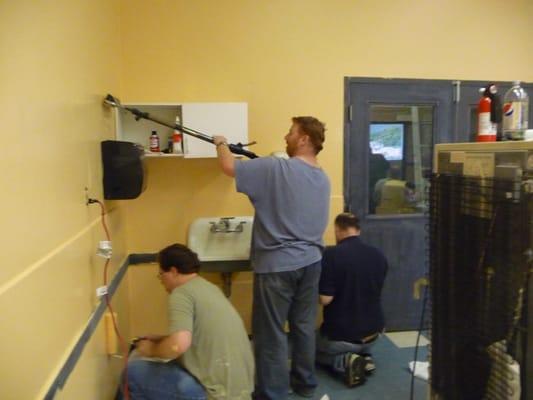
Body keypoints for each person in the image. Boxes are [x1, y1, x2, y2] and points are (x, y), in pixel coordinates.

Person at [213, 116, 330, 400]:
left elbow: (229, 166)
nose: (285, 136)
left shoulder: (276, 167)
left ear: (304, 139)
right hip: (312, 261)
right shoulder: (322, 177)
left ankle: (272, 394)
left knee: (271, 334)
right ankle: (305, 384)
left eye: (291, 132)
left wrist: (221, 143)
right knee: (303, 327)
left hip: (277, 266)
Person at [117, 243, 254, 400]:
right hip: (239, 389)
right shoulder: (209, 288)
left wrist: (150, 350)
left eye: (161, 274)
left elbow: (178, 346)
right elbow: (199, 339)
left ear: (174, 271)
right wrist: (162, 339)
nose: (161, 281)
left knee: (132, 373)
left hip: (215, 394)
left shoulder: (181, 294)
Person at [316, 213, 388, 387]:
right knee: (360, 339)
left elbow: (325, 299)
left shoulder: (331, 255)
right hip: (375, 333)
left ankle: (345, 360)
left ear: (338, 230)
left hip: (343, 337)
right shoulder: (379, 255)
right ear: (358, 230)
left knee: (309, 348)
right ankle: (365, 357)